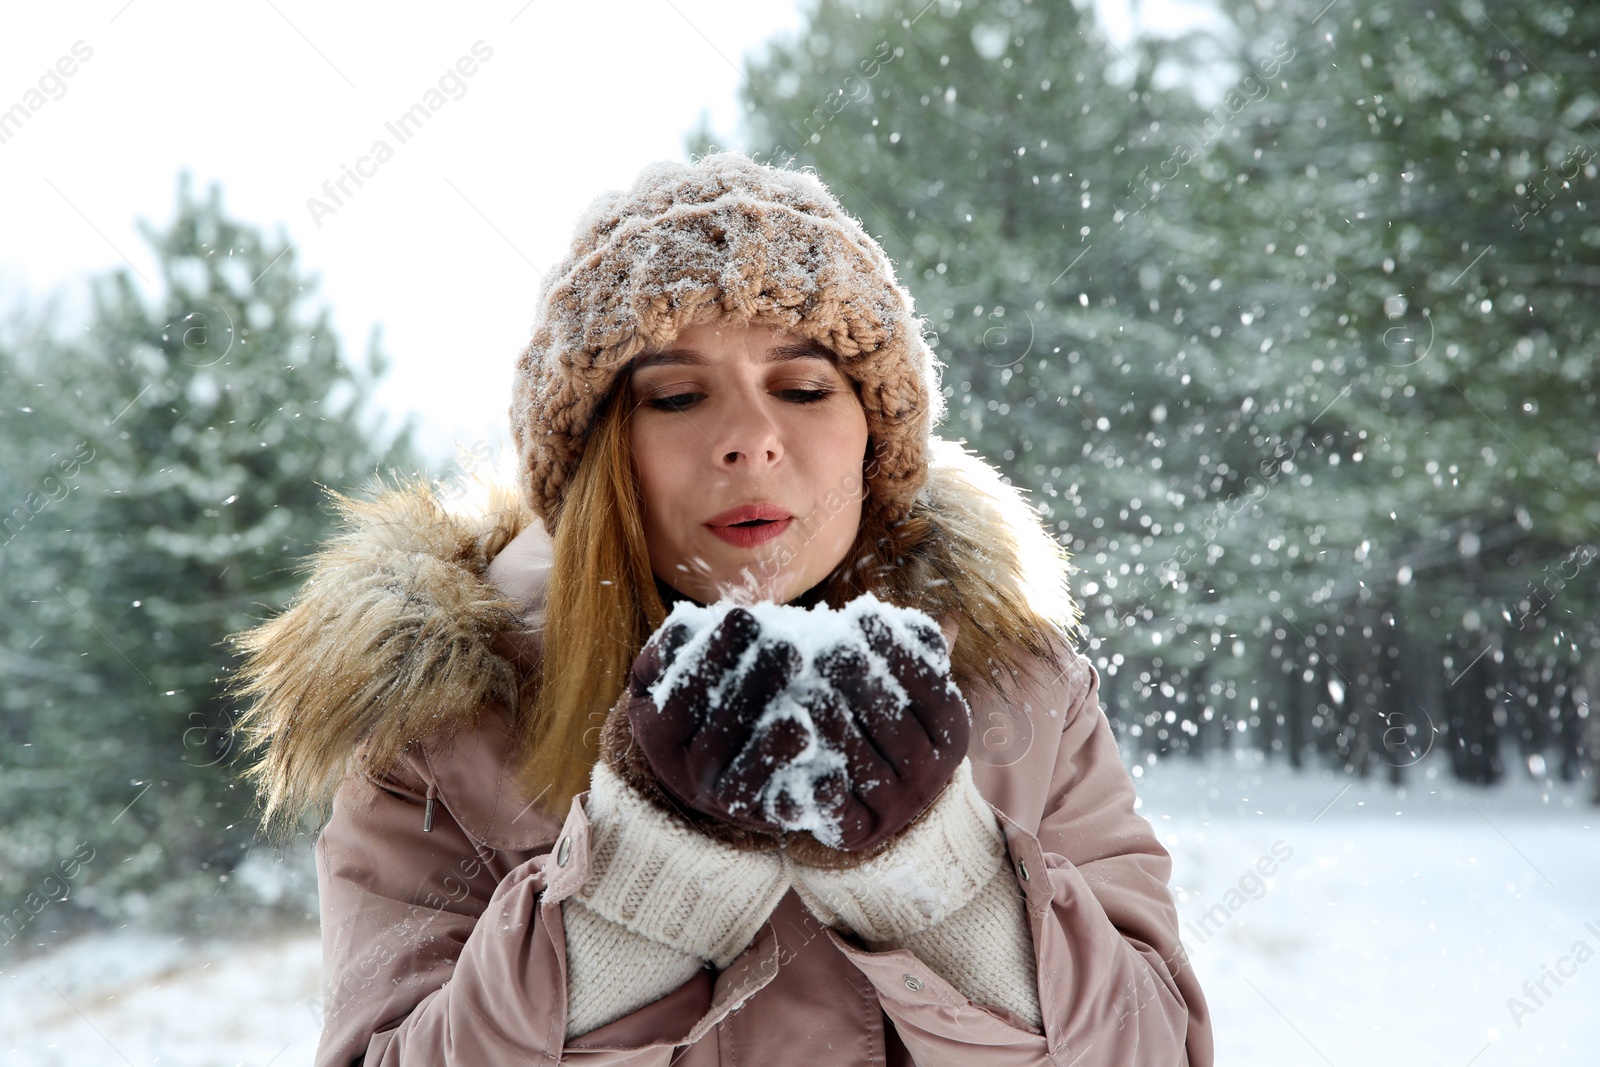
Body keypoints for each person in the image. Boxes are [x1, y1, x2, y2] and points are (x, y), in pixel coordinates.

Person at [229, 152, 1213, 1066]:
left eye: (801, 385)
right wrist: (638, 895)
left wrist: (946, 886)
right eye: (675, 398)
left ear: (876, 440)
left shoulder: (1021, 691)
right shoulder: (442, 730)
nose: (749, 438)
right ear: (593, 460)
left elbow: (1152, 1044)